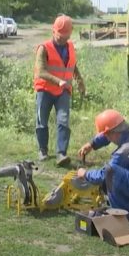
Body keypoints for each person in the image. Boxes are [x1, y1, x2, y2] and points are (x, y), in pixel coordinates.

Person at [33, 14, 86, 166]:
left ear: (70, 33)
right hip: (45, 89)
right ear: (53, 31)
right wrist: (59, 81)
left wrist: (80, 80)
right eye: (59, 35)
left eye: (65, 36)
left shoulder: (70, 46)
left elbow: (72, 64)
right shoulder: (44, 48)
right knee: (42, 121)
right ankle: (43, 150)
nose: (62, 39)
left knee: (63, 120)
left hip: (63, 90)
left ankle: (61, 154)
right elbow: (41, 71)